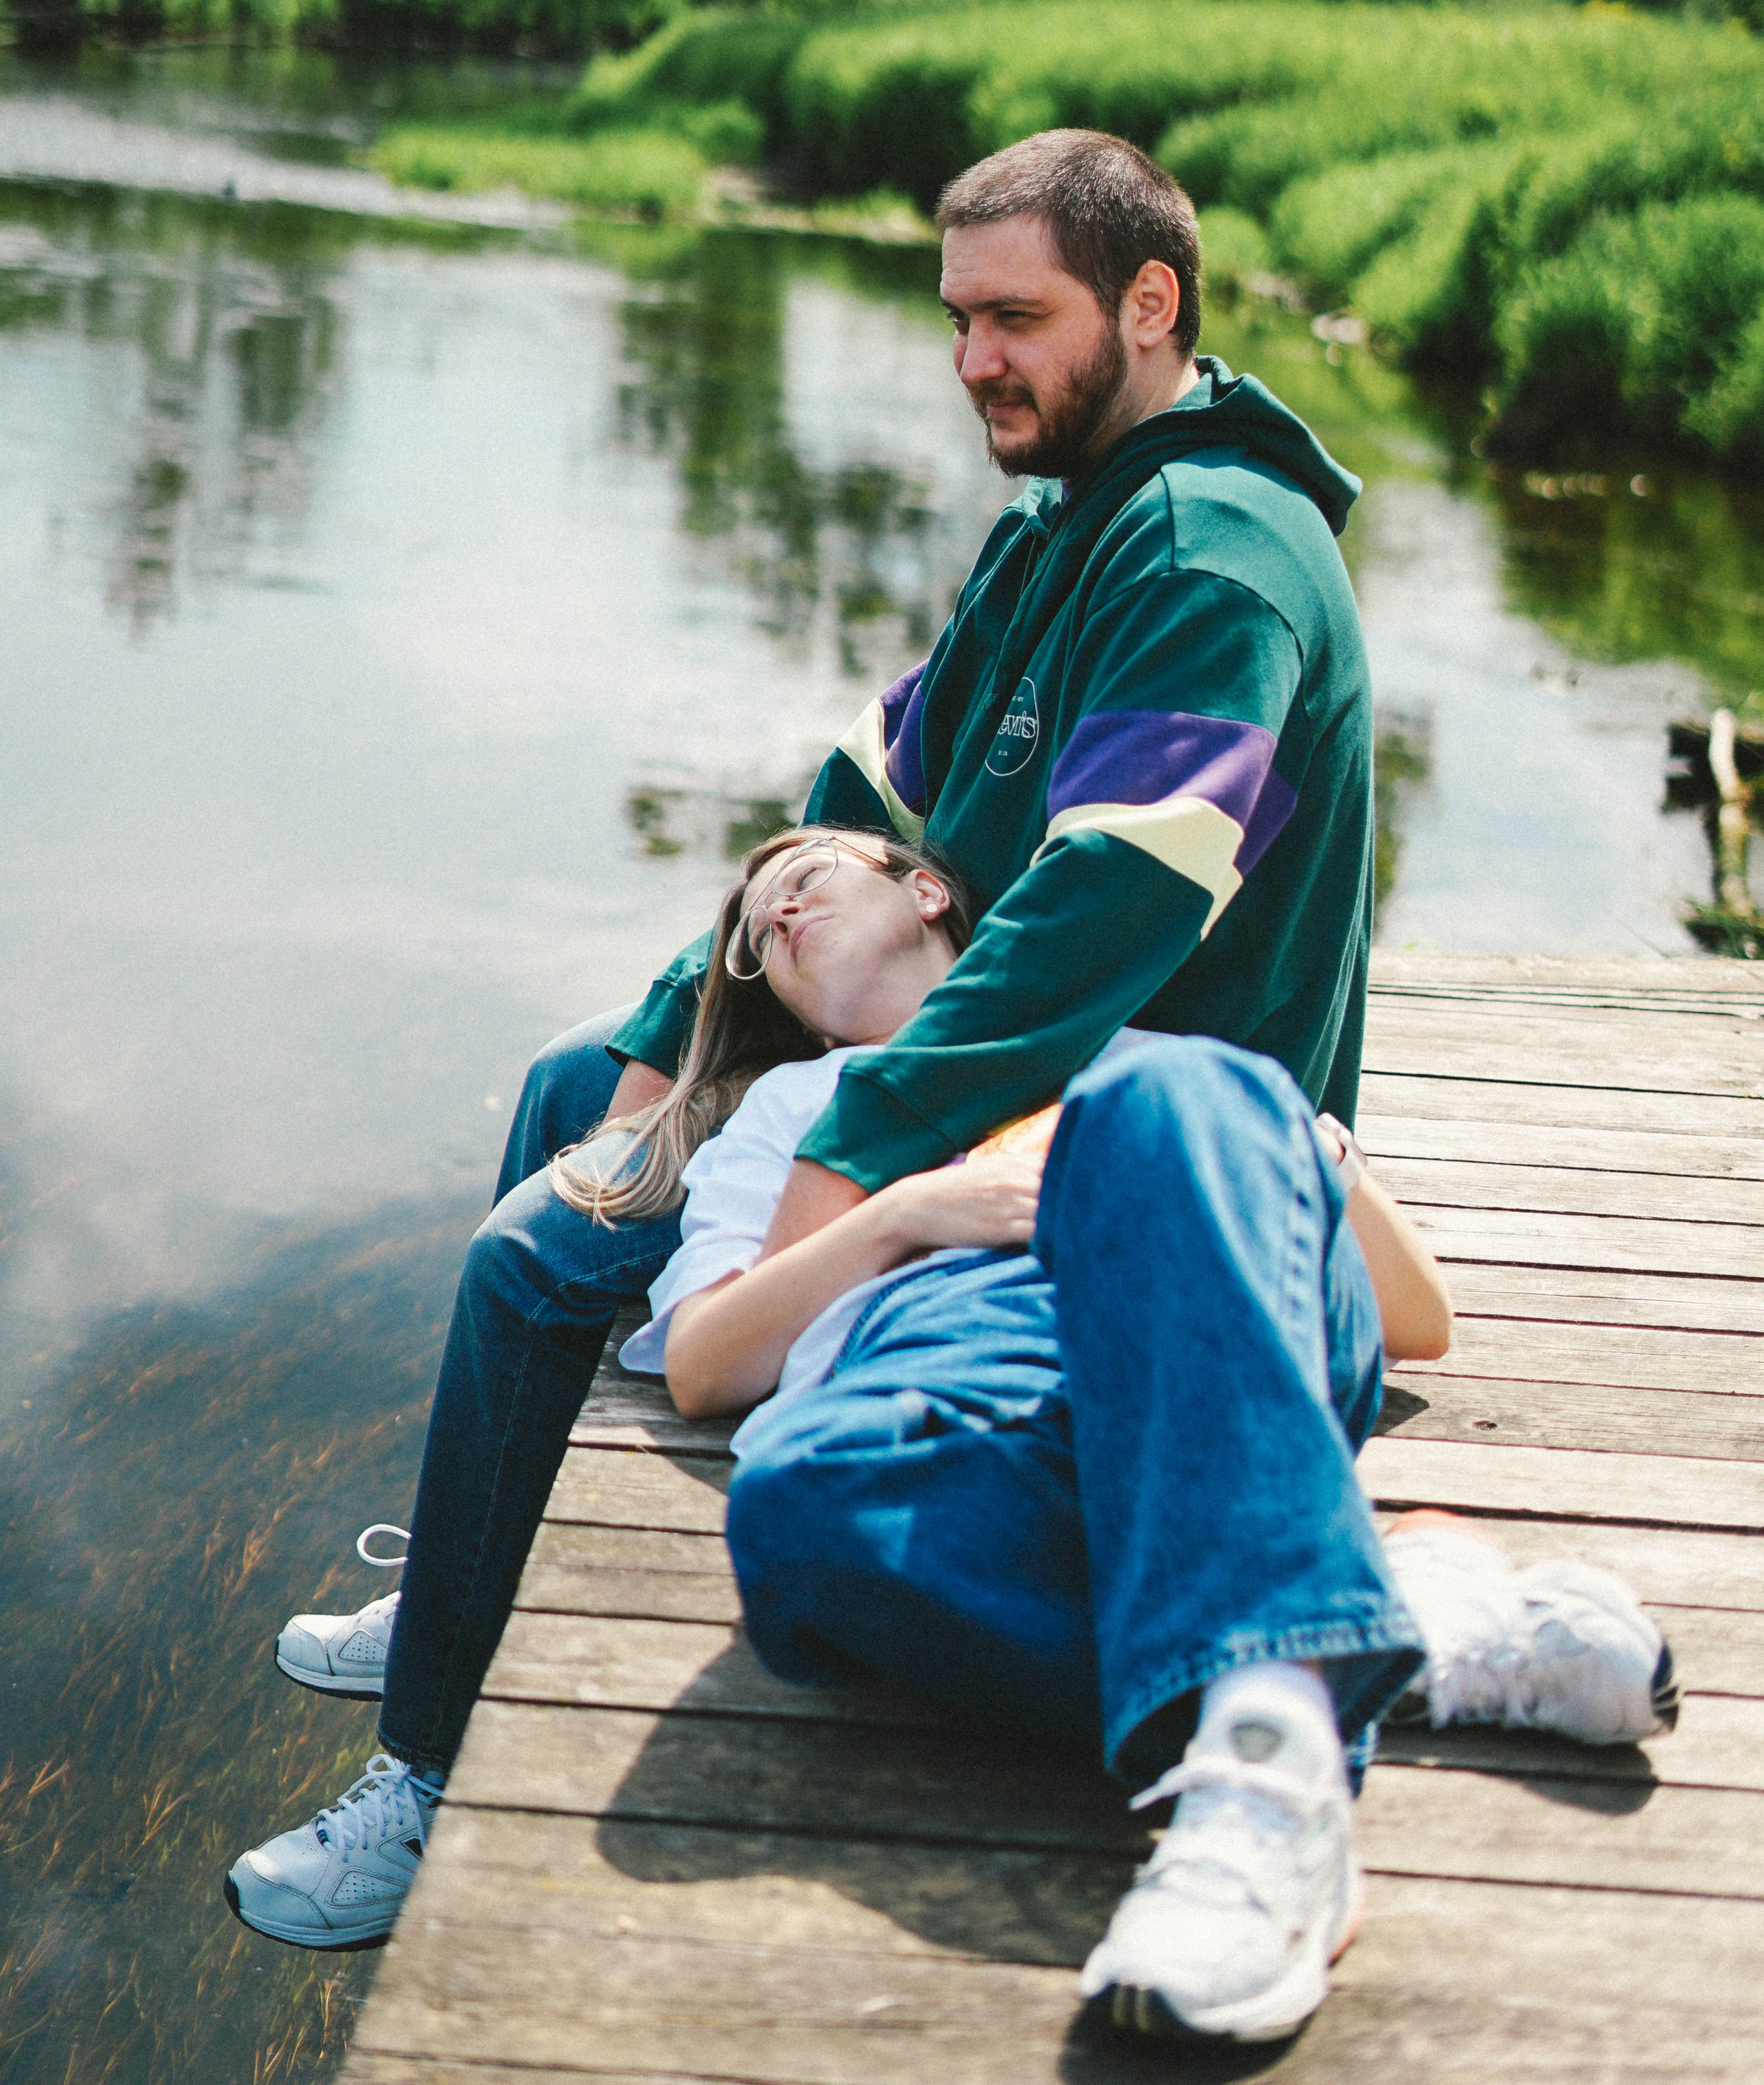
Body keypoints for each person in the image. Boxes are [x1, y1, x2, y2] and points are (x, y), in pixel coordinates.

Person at [218, 128, 1507, 1940]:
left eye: (1017, 317)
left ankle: (426, 1781)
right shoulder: (1058, 522)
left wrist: (830, 1156)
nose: (975, 358)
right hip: (950, 1050)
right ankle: (465, 1584)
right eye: (957, 318)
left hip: (1112, 1148)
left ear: (1152, 306)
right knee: (573, 1087)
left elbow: (1096, 928)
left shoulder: (1215, 559)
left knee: (535, 1266)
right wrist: (694, 1030)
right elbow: (862, 797)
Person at [228, 832, 1676, 2004]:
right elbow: (711, 1365)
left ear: (924, 886)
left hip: (1184, 1298)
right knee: (796, 1507)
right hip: (947, 1382)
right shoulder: (791, 1109)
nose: (770, 910)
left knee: (1177, 1090)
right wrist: (908, 1211)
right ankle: (1389, 1624)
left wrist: (1296, 1152)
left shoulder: (1108, 1038)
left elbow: (1410, 1321)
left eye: (806, 874)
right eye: (751, 932)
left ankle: (1263, 1792)